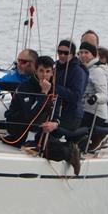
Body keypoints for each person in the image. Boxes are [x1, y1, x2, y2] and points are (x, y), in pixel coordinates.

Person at [35, 40, 87, 175]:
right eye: (59, 52)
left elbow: (76, 96)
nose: (62, 55)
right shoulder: (55, 67)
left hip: (71, 115)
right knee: (40, 133)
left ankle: (70, 151)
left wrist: (53, 88)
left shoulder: (78, 72)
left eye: (66, 53)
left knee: (45, 136)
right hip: (55, 110)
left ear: (72, 54)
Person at [1, 56, 50, 147]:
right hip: (17, 127)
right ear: (36, 70)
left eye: (47, 71)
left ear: (52, 73)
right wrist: (43, 93)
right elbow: (30, 115)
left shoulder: (52, 87)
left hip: (40, 129)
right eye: (41, 71)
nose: (44, 75)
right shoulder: (26, 86)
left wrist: (55, 123)